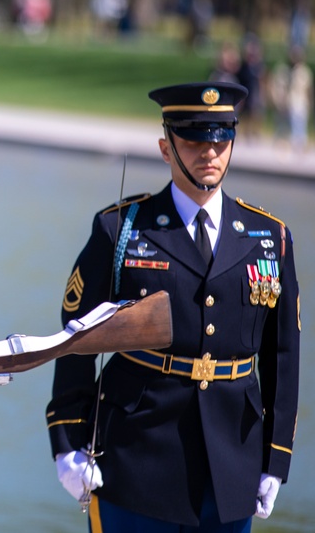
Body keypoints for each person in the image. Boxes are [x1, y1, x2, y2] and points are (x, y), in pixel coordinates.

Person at [46, 81, 300, 532]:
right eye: (195, 139)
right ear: (167, 148)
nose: (210, 152)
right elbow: (76, 339)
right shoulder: (122, 229)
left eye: (221, 139)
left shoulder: (269, 237)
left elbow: (282, 356)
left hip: (231, 468)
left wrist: (275, 457)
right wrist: (68, 441)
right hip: (134, 460)